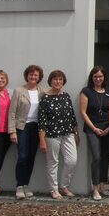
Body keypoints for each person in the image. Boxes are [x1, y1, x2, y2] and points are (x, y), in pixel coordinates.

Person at [38, 70, 80, 200]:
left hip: (68, 134)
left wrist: (76, 133)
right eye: (55, 79)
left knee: (71, 160)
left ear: (63, 81)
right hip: (51, 135)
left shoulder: (66, 96)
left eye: (60, 79)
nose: (58, 82)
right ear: (50, 81)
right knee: (53, 162)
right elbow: (42, 121)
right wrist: (42, 140)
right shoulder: (45, 98)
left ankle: (64, 186)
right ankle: (54, 189)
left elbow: (72, 116)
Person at [9, 65, 46, 200]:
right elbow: (12, 112)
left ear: (39, 77)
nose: (33, 77)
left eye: (35, 75)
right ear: (27, 76)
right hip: (22, 128)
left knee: (31, 157)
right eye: (31, 74)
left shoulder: (43, 92)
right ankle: (19, 185)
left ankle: (26, 184)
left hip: (36, 128)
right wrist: (12, 131)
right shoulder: (19, 91)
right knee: (22, 156)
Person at [80, 66, 109, 201]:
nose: (98, 79)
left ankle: (102, 185)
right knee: (97, 157)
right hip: (92, 129)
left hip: (107, 128)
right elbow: (83, 112)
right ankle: (95, 189)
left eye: (100, 76)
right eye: (95, 77)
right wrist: (94, 128)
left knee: (105, 157)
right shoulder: (86, 91)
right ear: (92, 78)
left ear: (104, 77)